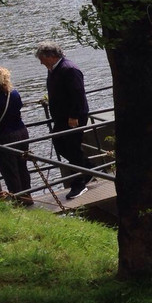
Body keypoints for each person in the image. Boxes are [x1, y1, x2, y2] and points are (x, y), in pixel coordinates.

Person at [35, 41, 92, 200]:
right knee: (60, 145)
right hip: (61, 118)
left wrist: (74, 116)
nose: (41, 62)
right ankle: (91, 169)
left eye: (42, 58)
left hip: (72, 118)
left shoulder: (69, 69)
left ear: (51, 56)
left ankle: (79, 184)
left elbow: (77, 94)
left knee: (73, 148)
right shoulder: (53, 70)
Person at [0, 66, 33, 206]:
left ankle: (18, 200)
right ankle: (28, 196)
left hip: (5, 137)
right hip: (22, 133)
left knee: (10, 170)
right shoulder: (15, 94)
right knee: (22, 165)